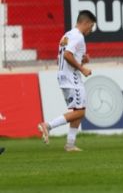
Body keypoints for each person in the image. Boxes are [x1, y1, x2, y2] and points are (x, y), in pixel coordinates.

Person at [38, 10, 96, 152]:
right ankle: (48, 125)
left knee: (77, 110)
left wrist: (82, 59)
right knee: (80, 112)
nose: (91, 29)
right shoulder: (78, 37)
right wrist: (82, 68)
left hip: (64, 76)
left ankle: (70, 144)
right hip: (72, 78)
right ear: (86, 22)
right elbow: (67, 55)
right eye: (91, 26)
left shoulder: (67, 35)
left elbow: (63, 57)